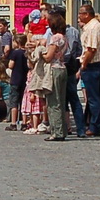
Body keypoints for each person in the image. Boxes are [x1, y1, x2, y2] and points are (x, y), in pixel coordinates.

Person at [75, 3, 100, 138]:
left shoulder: (93, 27)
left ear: (87, 14)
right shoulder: (91, 26)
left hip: (92, 66)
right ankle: (92, 123)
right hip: (95, 65)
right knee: (94, 98)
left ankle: (95, 126)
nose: (78, 16)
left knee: (93, 98)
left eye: (80, 13)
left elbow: (91, 49)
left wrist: (83, 65)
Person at [41, 10, 70, 141]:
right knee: (61, 101)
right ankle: (62, 130)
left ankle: (56, 132)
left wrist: (40, 53)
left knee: (53, 102)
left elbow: (48, 57)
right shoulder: (64, 37)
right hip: (63, 68)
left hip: (54, 69)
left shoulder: (55, 38)